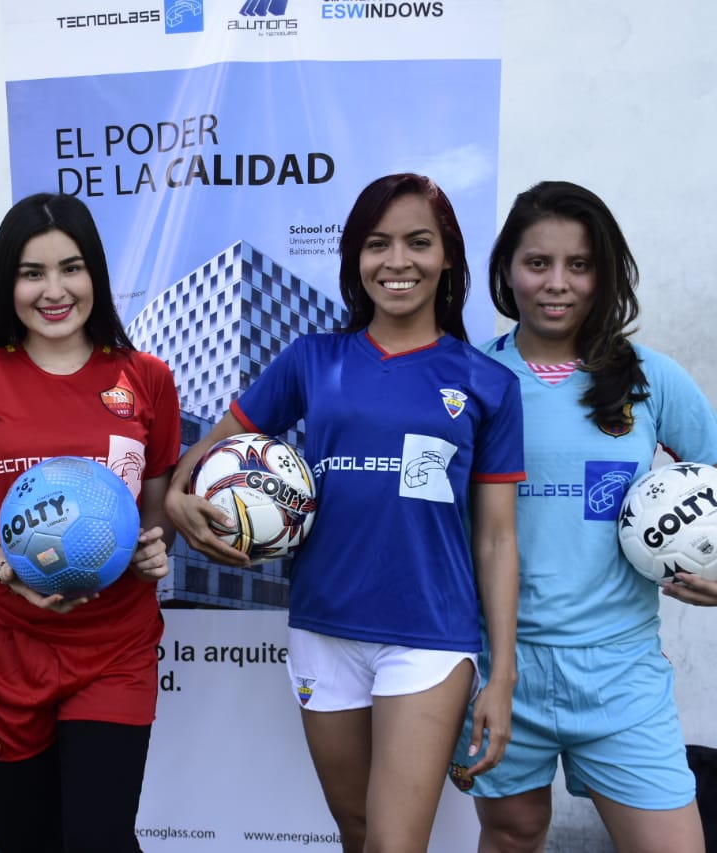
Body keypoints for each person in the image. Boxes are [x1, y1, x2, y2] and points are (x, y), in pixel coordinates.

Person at [165, 173, 525, 853]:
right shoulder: (313, 359)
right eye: (377, 244)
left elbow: (499, 539)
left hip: (429, 635)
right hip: (323, 628)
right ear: (355, 259)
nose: (397, 261)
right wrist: (186, 509)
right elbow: (200, 461)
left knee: (394, 842)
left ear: (448, 254)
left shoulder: (486, 382)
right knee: (356, 830)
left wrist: (501, 674)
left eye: (418, 242)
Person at [449, 180, 717, 853]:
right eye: (537, 262)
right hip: (500, 663)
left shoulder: (650, 377)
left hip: (621, 670)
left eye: (580, 264)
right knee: (513, 831)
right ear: (506, 269)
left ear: (605, 273)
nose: (557, 283)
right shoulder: (472, 376)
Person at [0, 192, 179, 853]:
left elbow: (155, 516)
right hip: (4, 645)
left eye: (72, 267)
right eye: (32, 272)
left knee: (99, 839)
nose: (54, 290)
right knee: (28, 841)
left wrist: (154, 550)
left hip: (114, 646)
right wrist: (9, 571)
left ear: (95, 272)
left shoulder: (146, 378)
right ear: (7, 283)